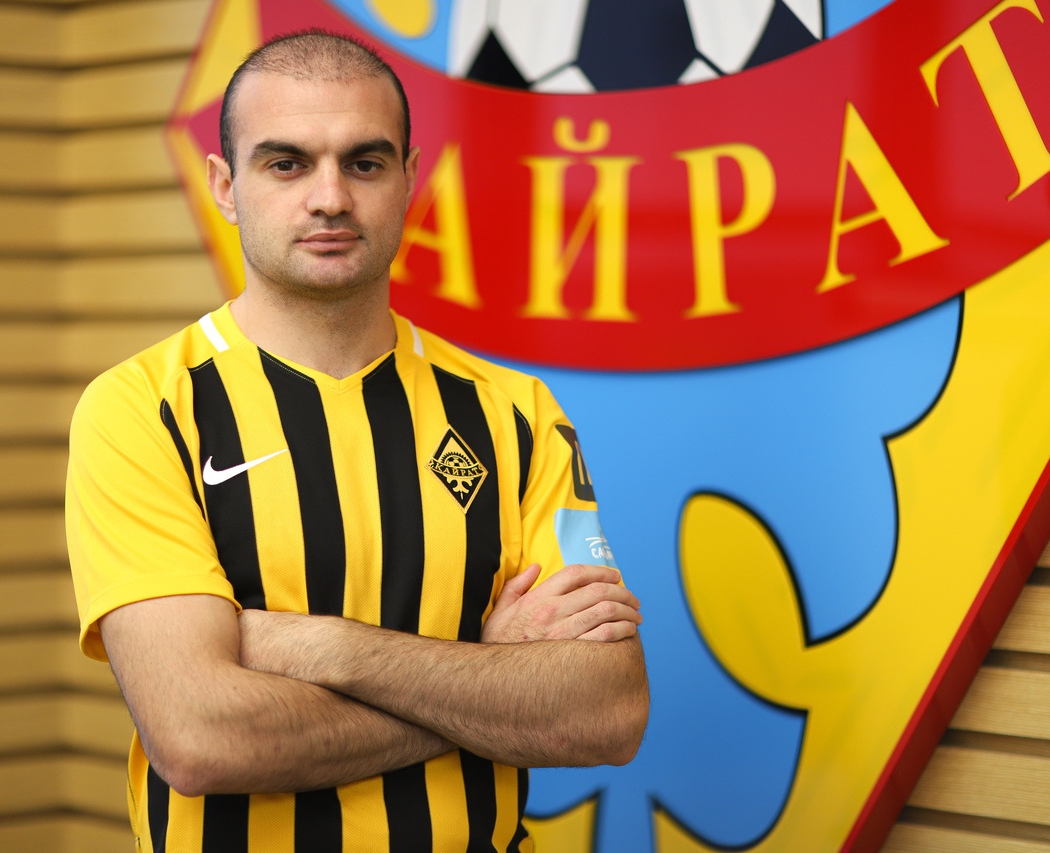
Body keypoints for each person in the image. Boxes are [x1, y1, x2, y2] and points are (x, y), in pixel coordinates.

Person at [65, 30, 649, 852]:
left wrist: (318, 646)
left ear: (409, 179)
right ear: (226, 186)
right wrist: (486, 673)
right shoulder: (143, 410)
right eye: (287, 163)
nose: (331, 197)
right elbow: (200, 737)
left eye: (365, 163)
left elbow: (607, 711)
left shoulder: (514, 412)